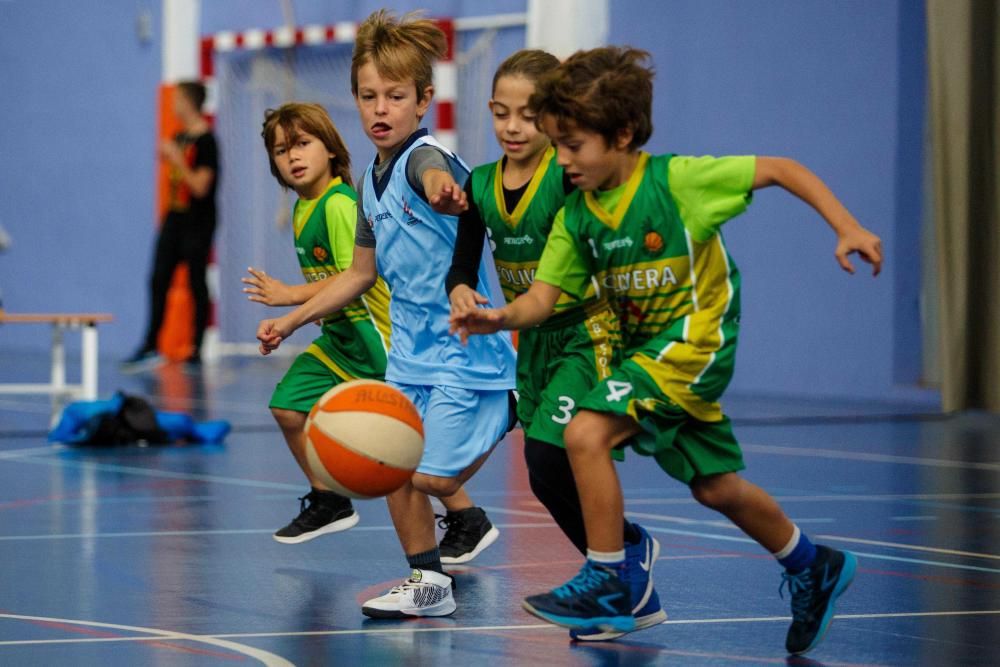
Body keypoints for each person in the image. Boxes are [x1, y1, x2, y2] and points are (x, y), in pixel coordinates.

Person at [451, 46, 882, 655]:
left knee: (585, 433)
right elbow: (541, 301)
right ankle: (813, 564)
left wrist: (847, 225)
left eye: (573, 146)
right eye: (559, 144)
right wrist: (496, 317)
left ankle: (610, 579)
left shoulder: (678, 182)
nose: (563, 159)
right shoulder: (578, 216)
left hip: (696, 337)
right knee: (717, 488)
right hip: (647, 350)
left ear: (622, 134)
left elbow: (783, 169)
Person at [256, 10, 516, 619]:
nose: (381, 108)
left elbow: (436, 180)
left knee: (421, 475)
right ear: (355, 99)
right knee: (394, 463)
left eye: (395, 96)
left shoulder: (429, 160)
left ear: (424, 100)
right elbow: (357, 276)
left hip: (464, 355)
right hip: (410, 356)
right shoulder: (368, 185)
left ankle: (512, 404)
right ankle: (429, 583)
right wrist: (290, 321)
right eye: (369, 96)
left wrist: (439, 193)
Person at [446, 49, 664, 642]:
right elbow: (462, 261)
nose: (513, 126)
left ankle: (621, 565)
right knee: (544, 479)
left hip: (586, 333)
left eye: (528, 114)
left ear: (553, 117)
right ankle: (623, 578)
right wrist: (463, 290)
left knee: (548, 454)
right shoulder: (481, 184)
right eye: (501, 113)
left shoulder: (568, 179)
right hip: (531, 340)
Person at [248, 102, 498, 558]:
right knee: (287, 407)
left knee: (400, 449)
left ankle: (465, 515)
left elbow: (359, 274)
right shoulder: (306, 210)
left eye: (303, 144)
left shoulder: (343, 203)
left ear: (331, 149)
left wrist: (289, 299)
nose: (293, 157)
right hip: (340, 340)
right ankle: (329, 497)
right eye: (282, 150)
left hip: (374, 339)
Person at [123, 81, 219, 371]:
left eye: (178, 100)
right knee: (158, 279)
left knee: (196, 283)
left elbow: (201, 187)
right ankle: (152, 344)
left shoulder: (206, 141)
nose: (174, 105)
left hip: (197, 221)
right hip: (174, 219)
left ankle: (196, 348)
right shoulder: (178, 136)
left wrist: (177, 160)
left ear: (189, 103)